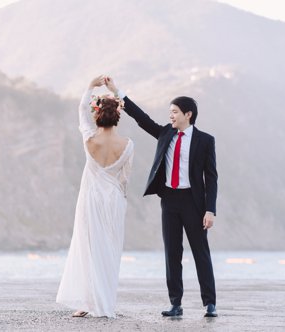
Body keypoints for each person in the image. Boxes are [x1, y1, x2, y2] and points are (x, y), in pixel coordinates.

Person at [107, 76, 220, 318]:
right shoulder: (165, 134)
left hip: (194, 202)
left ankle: (210, 303)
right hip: (169, 200)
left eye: (175, 112)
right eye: (170, 112)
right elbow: (141, 118)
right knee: (172, 253)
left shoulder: (205, 141)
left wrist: (210, 210)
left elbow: (211, 178)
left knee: (201, 253)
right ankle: (175, 304)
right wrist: (118, 92)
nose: (171, 116)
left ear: (188, 114)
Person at [55, 75, 136, 318]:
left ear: (97, 114)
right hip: (113, 199)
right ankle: (105, 303)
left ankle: (89, 302)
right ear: (117, 116)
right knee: (110, 249)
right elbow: (125, 180)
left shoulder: (89, 139)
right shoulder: (128, 145)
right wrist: (121, 200)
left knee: (89, 248)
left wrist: (90, 85)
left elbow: (81, 109)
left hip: (90, 198)